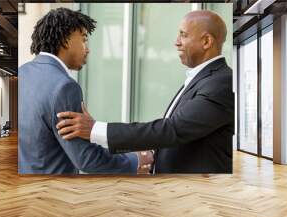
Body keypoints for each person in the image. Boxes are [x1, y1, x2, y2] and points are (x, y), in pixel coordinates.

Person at [56, 10, 234, 174]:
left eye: (183, 35)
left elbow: (173, 129)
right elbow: (180, 133)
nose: (176, 42)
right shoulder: (204, 78)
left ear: (206, 42)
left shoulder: (221, 82)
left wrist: (95, 129)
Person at [18, 8, 153, 174]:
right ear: (65, 40)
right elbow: (86, 159)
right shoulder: (64, 87)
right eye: (83, 40)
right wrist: (135, 160)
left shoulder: (22, 72)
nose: (87, 49)